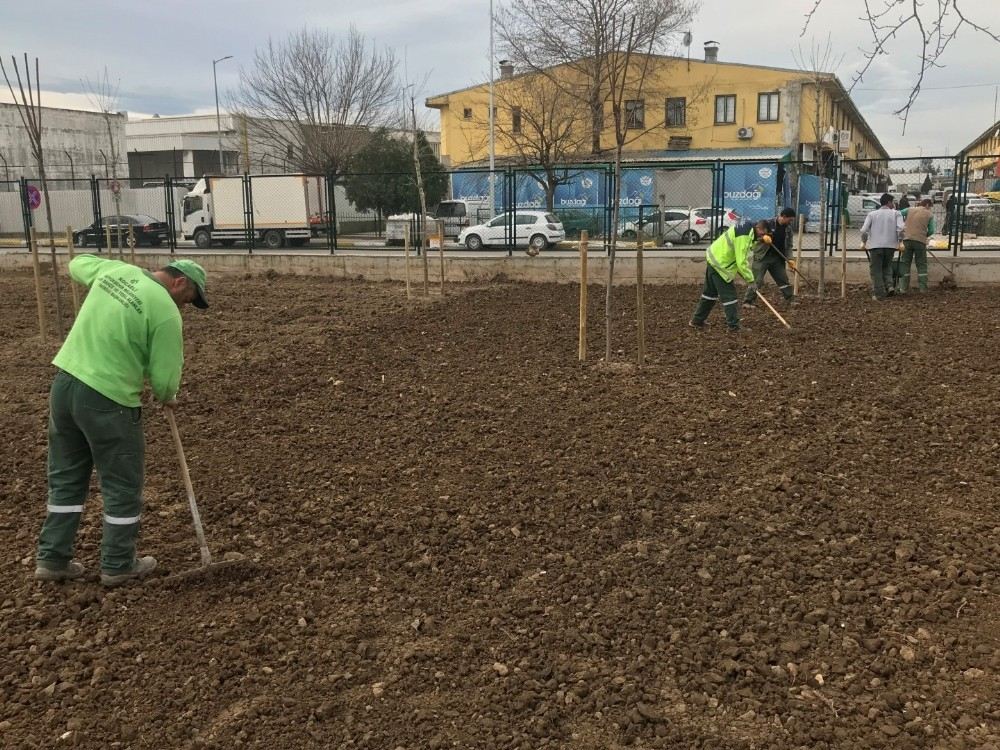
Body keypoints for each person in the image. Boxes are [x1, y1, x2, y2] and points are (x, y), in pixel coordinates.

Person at [34, 256, 208, 586]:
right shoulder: (166, 311)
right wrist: (168, 394)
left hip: (65, 386)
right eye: (187, 301)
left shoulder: (116, 271)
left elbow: (76, 264)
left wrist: (112, 271)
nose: (184, 307)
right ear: (180, 283)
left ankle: (52, 558)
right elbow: (165, 378)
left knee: (67, 476)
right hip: (108, 399)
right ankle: (117, 564)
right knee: (122, 484)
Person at [690, 219, 766, 332]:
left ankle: (697, 321)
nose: (762, 236)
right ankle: (734, 326)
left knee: (709, 294)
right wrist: (751, 280)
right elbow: (741, 261)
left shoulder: (746, 228)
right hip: (721, 265)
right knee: (730, 297)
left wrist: (746, 276)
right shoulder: (744, 235)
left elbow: (738, 257)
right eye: (763, 233)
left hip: (714, 259)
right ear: (759, 228)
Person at [742, 207, 797, 309]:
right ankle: (748, 301)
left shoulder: (788, 229)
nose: (791, 222)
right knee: (757, 280)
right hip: (762, 256)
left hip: (777, 258)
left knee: (783, 279)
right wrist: (762, 238)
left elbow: (789, 246)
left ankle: (790, 299)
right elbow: (754, 234)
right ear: (784, 216)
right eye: (790, 219)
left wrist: (790, 259)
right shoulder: (768, 223)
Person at [860, 193, 904, 301]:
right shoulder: (896, 214)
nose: (893, 204)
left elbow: (864, 230)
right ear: (888, 202)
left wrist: (863, 242)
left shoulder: (872, 214)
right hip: (890, 246)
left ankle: (879, 292)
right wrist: (901, 242)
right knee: (887, 266)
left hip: (876, 246)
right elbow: (900, 229)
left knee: (876, 270)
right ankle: (889, 286)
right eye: (892, 202)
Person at [897, 198, 936, 293]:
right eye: (930, 207)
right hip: (920, 242)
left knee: (905, 263)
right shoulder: (929, 214)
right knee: (921, 264)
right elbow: (931, 230)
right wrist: (923, 235)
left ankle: (903, 288)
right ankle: (923, 288)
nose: (930, 209)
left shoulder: (909, 210)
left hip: (906, 240)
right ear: (927, 205)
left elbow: (898, 214)